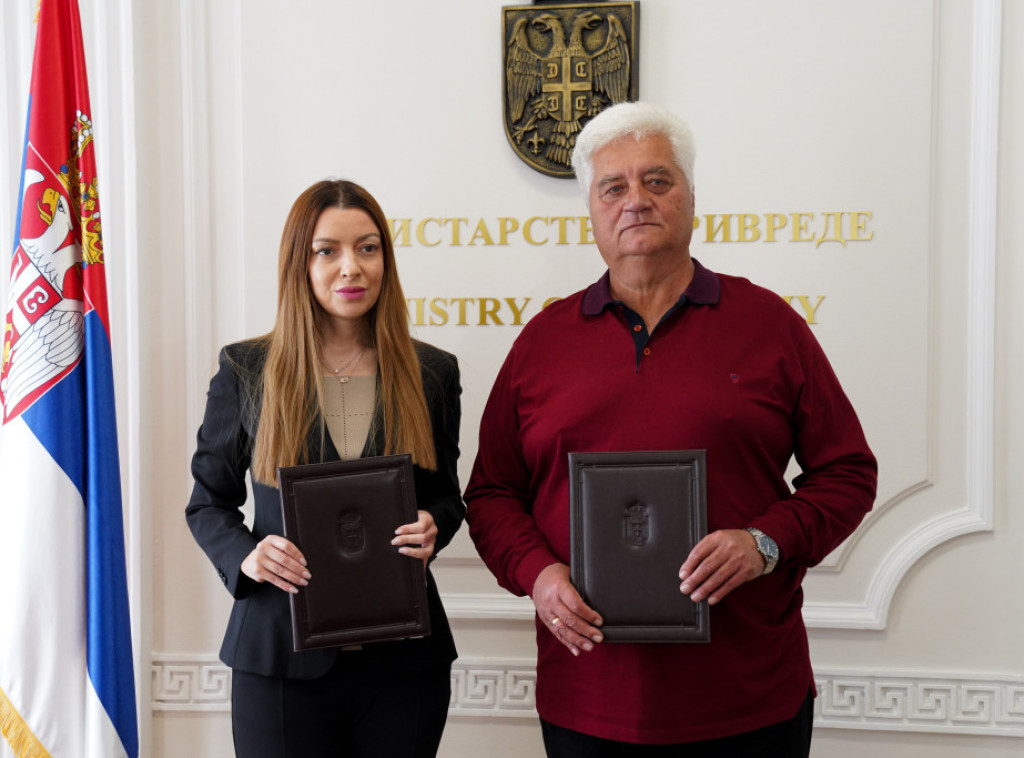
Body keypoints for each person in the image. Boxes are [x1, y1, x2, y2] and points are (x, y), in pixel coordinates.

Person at [464, 102, 877, 756]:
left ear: (691, 196)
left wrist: (764, 543)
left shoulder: (770, 325)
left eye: (657, 180)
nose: (636, 200)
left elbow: (848, 473)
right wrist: (537, 574)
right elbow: (491, 494)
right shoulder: (542, 343)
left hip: (749, 696)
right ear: (591, 210)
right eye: (613, 187)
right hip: (587, 699)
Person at [186, 179, 463, 757]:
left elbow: (446, 496)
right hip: (279, 659)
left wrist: (434, 524)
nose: (351, 267)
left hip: (405, 663)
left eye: (368, 248)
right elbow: (208, 503)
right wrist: (247, 555)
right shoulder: (247, 369)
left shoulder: (431, 372)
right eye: (327, 250)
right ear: (300, 263)